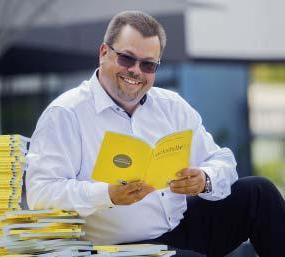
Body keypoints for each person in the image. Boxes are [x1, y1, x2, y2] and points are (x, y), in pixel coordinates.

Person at [26, 10, 285, 257]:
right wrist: (106, 194)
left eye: (148, 65)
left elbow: (224, 162)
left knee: (259, 193)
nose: (136, 71)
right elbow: (40, 193)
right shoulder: (65, 113)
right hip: (117, 248)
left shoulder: (171, 106)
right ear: (104, 53)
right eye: (127, 59)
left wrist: (204, 179)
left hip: (178, 229)